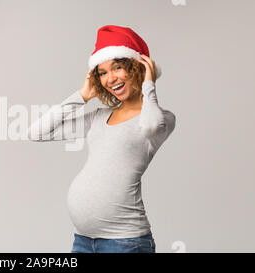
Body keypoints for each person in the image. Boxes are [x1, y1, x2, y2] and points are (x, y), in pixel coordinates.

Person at [26, 25, 176, 253]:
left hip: (125, 242)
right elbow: (36, 133)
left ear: (137, 67)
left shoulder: (163, 118)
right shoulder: (99, 117)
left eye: (117, 67)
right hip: (84, 240)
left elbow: (150, 125)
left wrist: (149, 84)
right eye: (102, 72)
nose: (110, 78)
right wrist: (82, 95)